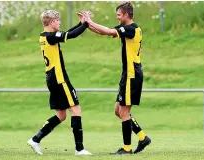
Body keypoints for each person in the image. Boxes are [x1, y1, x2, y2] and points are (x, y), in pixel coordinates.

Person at [79, 2, 151, 155]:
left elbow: (107, 31)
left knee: (124, 112)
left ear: (126, 15)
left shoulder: (132, 29)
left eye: (119, 14)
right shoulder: (125, 29)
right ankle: (142, 137)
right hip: (127, 74)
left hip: (133, 74)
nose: (117, 17)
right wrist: (86, 24)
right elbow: (104, 32)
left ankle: (126, 149)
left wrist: (90, 22)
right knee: (118, 111)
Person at [27, 10, 91, 156]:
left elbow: (66, 33)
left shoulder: (45, 36)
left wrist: (80, 24)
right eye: (57, 20)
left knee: (61, 115)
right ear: (51, 22)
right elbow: (72, 35)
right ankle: (79, 149)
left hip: (51, 79)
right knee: (76, 110)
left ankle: (35, 139)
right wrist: (86, 24)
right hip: (59, 78)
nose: (59, 22)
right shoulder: (50, 36)